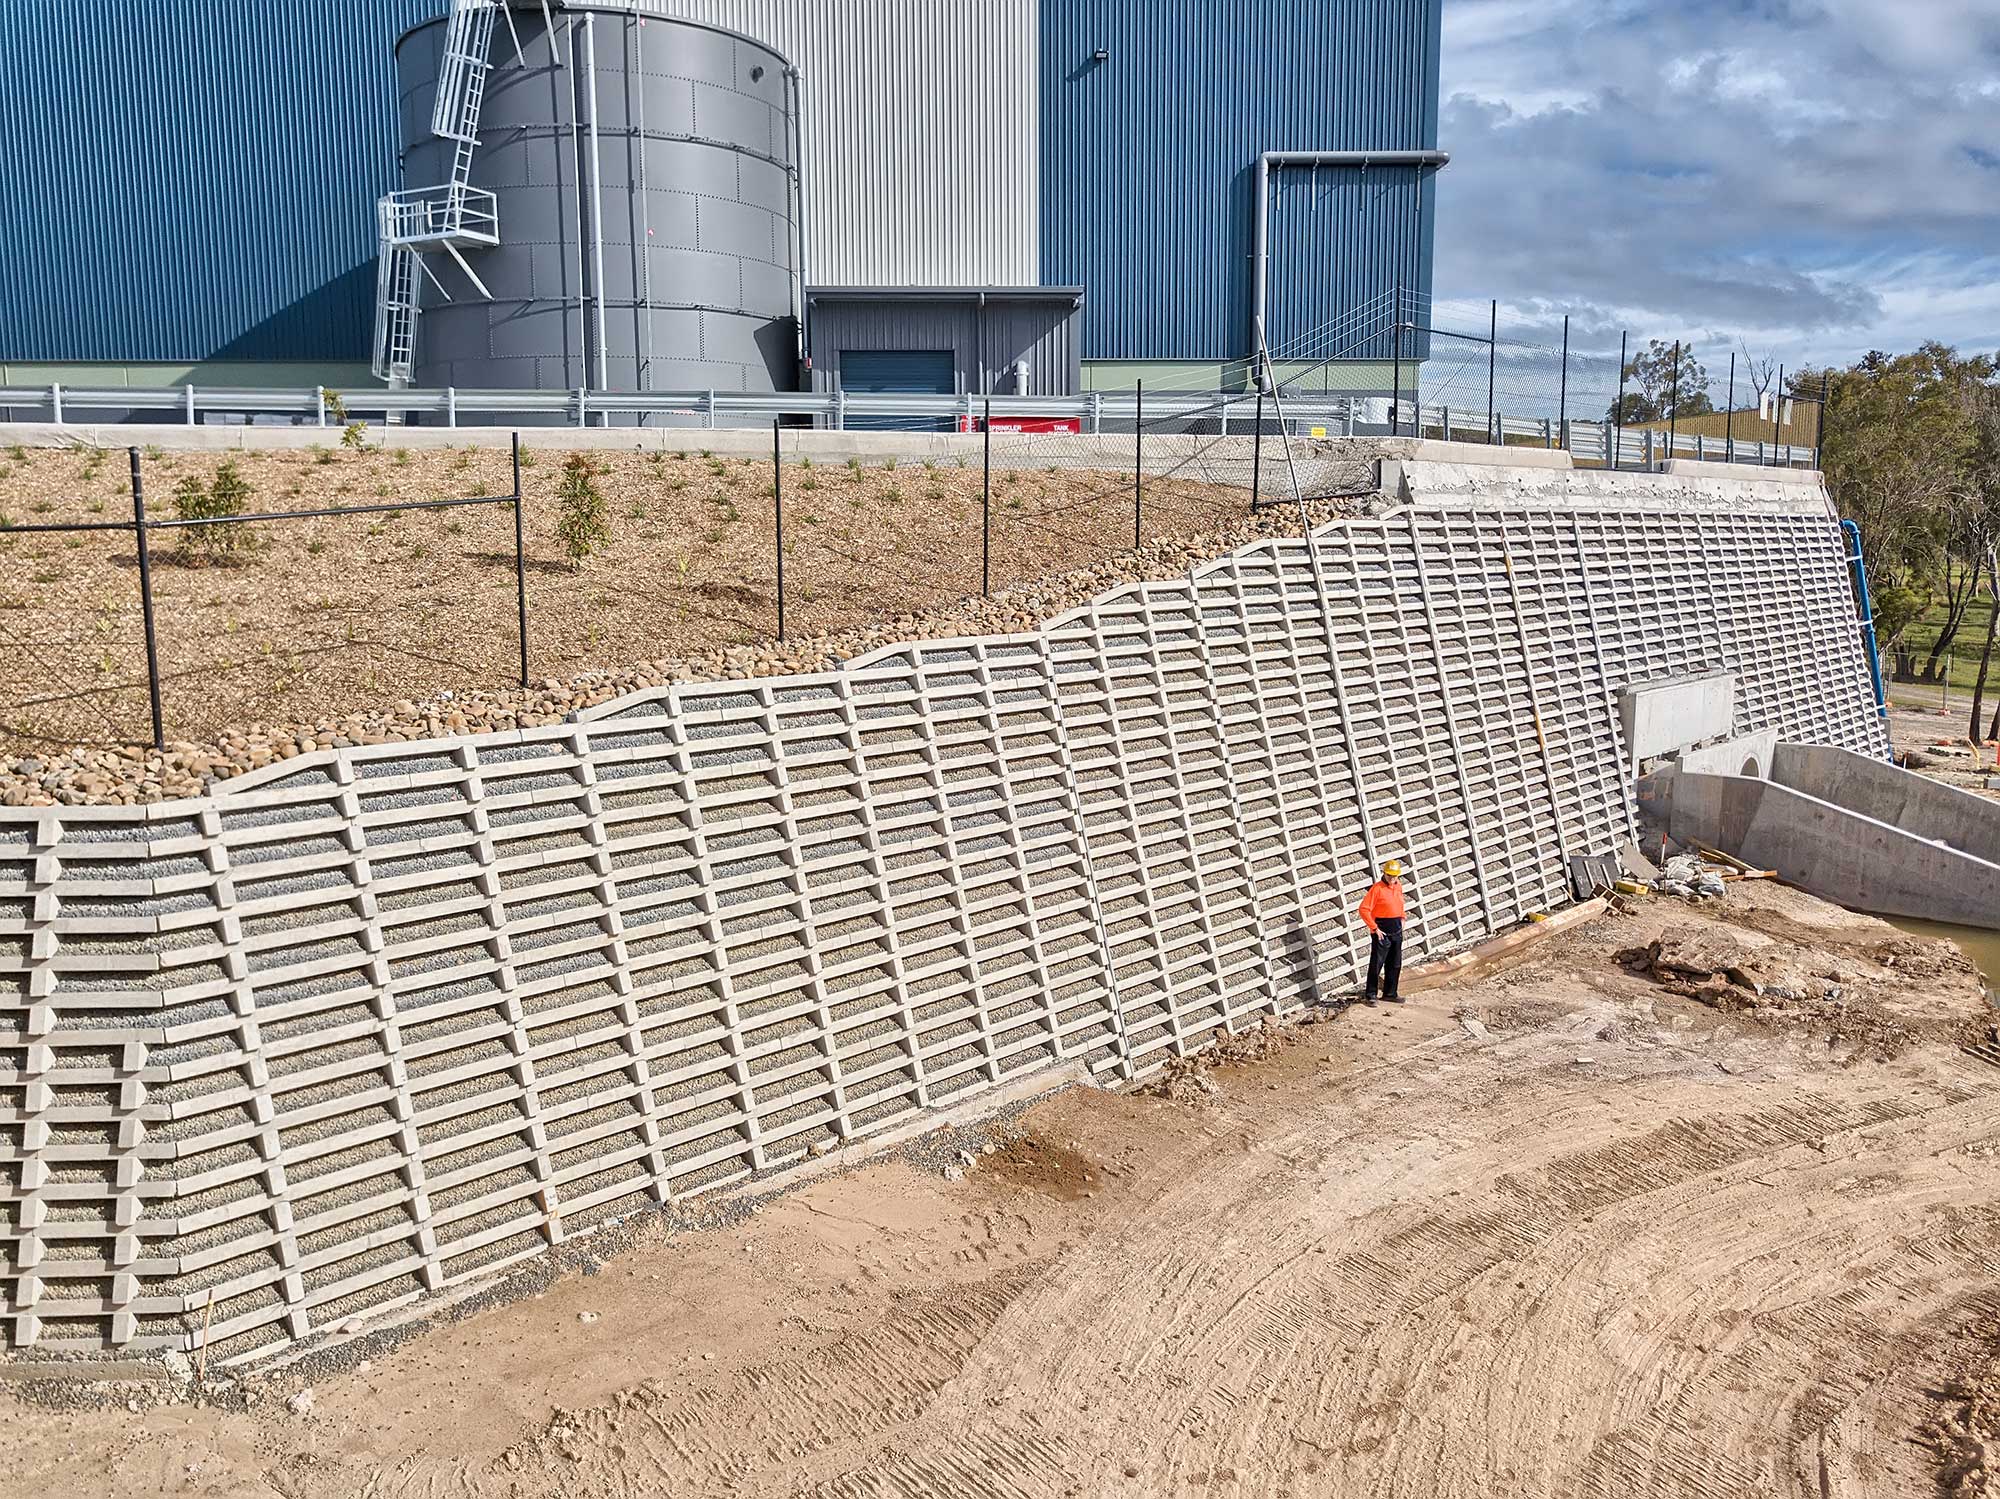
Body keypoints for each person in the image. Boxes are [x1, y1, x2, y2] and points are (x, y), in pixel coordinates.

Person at [1357, 859, 1408, 1005]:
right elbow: (1364, 909)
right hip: (1381, 928)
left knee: (1395, 962)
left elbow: (1400, 903)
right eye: (1389, 875)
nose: (1392, 879)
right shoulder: (1377, 889)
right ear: (1384, 873)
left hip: (1396, 927)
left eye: (1394, 876)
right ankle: (1371, 995)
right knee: (1377, 963)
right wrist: (1374, 928)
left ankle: (1390, 993)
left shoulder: (1398, 886)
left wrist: (1403, 917)